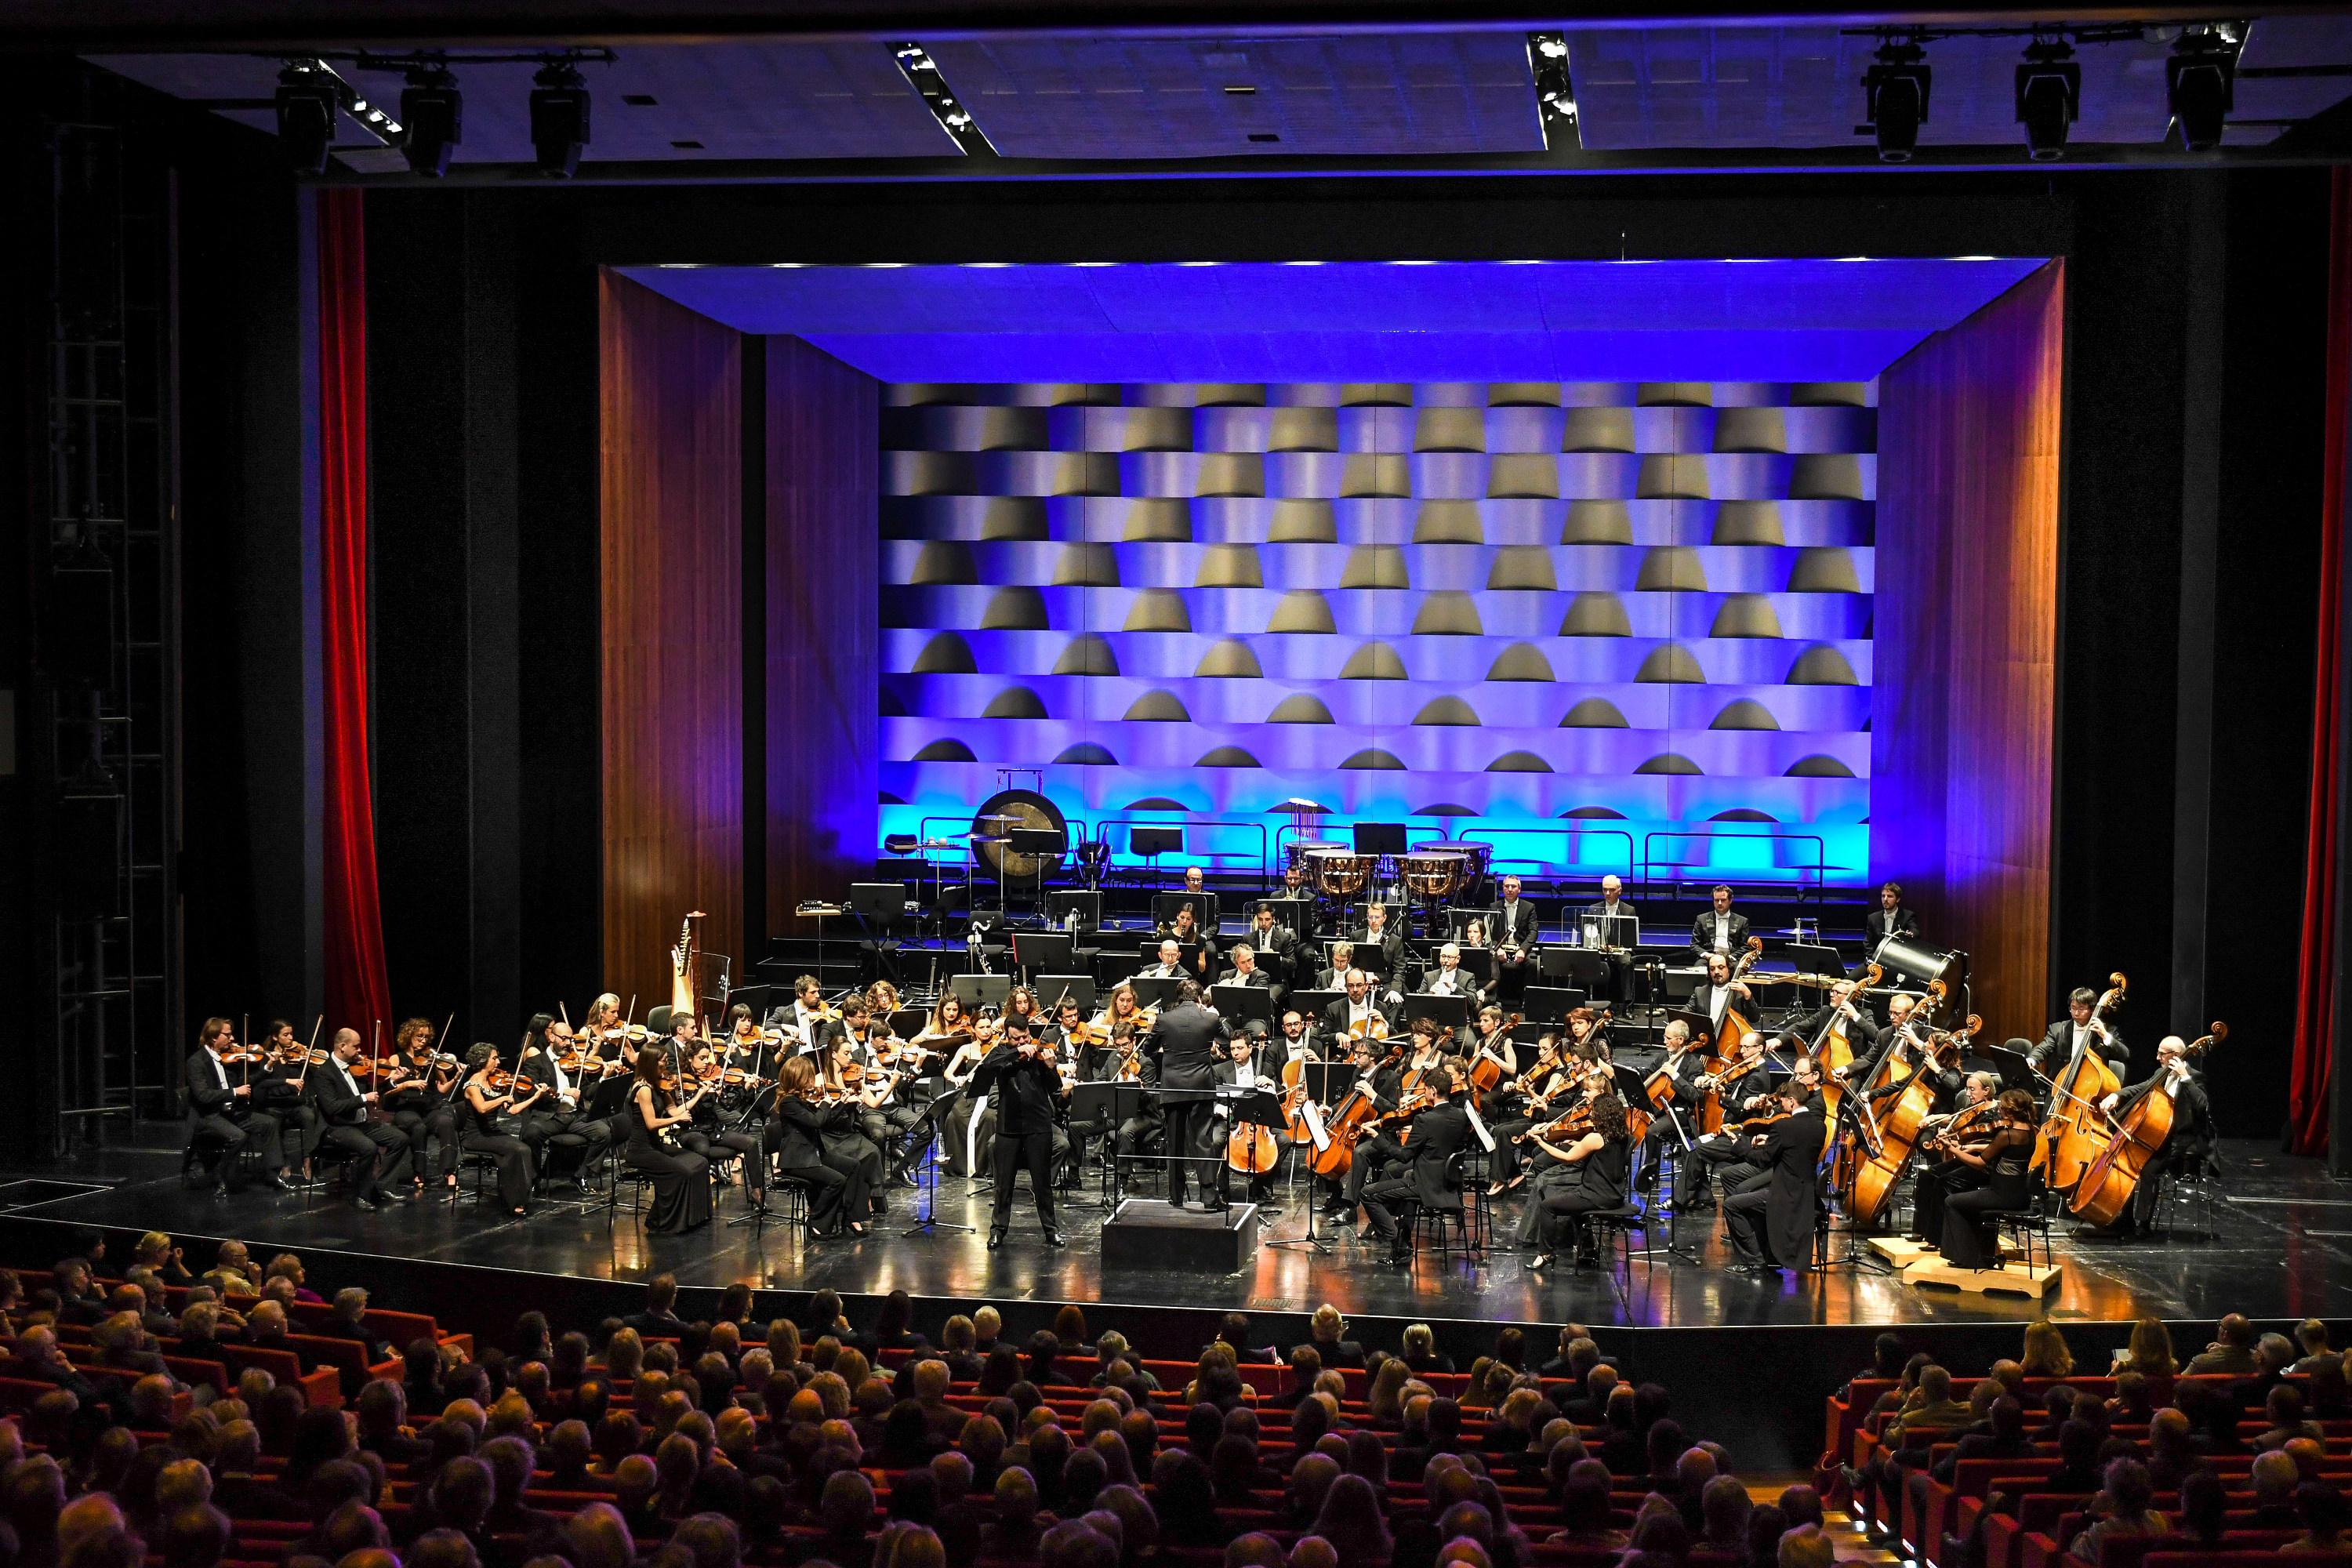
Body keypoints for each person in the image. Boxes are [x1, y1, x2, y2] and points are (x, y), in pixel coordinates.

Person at [2093, 1035, 2212, 1238]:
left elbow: (2202, 1105)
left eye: (2162, 1054)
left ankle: (2143, 1223)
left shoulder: (2195, 1077)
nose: (2158, 1058)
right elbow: (2141, 1088)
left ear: (2176, 1055)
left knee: (2149, 1170)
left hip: (2182, 1140)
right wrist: (2116, 1095)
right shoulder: (2161, 1073)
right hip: (2158, 1134)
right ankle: (2125, 1218)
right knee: (2128, 1161)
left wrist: (2185, 1077)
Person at [969, 1017, 1067, 1249]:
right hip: (1008, 1125)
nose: (1023, 1042)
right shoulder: (1001, 1053)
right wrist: (1016, 1052)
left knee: (1042, 1182)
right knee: (1003, 1183)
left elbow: (1054, 1087)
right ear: (1007, 1037)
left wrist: (1051, 1068)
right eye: (1017, 1039)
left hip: (1038, 1125)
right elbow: (988, 1067)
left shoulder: (1041, 1054)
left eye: (1025, 1037)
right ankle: (998, 1230)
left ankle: (1051, 1230)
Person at [1359, 1062, 1469, 1265]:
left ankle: (1398, 1243)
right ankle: (1403, 1239)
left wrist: (1377, 1138)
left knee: (1367, 1194)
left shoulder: (1424, 1120)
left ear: (1433, 1090)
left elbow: (1403, 1156)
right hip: (1450, 1184)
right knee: (1405, 1176)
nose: (1424, 1093)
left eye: (1426, 1089)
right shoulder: (1461, 1115)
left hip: (1426, 1185)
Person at [1722, 1076, 1827, 1274]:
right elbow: (1795, 1149)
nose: (1780, 1105)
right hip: (1806, 1196)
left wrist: (1739, 1146)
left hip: (1784, 1195)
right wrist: (1771, 1141)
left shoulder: (1784, 1126)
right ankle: (1769, 1256)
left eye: (1783, 1101)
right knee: (1750, 1201)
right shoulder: (1820, 1127)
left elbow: (1762, 1161)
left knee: (1732, 1205)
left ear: (1792, 1101)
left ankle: (1754, 1261)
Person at [306, 1028, 416, 1209]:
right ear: (342, 1046)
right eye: (356, 1047)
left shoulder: (353, 1068)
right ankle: (360, 1196)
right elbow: (332, 1108)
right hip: (336, 1128)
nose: (360, 1051)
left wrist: (393, 1081)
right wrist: (363, 1098)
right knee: (368, 1148)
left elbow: (371, 1093)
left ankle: (383, 1187)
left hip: (360, 1124)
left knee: (400, 1139)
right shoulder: (324, 1073)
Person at [184, 1018, 293, 1195]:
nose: (232, 1039)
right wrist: (235, 1092)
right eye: (227, 1035)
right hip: (209, 1116)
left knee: (269, 1123)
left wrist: (267, 1067)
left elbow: (244, 1083)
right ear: (214, 1037)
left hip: (230, 1113)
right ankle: (221, 1177)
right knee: (238, 1136)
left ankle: (272, 1174)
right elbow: (203, 1096)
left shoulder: (226, 1059)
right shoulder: (196, 1062)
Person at [1525, 1094, 1632, 1272]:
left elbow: (1568, 1159)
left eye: (1594, 1110)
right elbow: (1598, 1152)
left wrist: (1541, 1143)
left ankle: (1545, 1253)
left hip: (1595, 1196)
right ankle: (1588, 1248)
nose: (1591, 1113)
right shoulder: (1621, 1135)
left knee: (1547, 1206)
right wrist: (1576, 1143)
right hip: (1614, 1194)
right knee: (1574, 1203)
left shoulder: (1595, 1138)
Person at [1939, 1090, 2038, 1269]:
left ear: (2010, 1111)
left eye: (2002, 1107)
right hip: (2021, 1196)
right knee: (1970, 1204)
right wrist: (1966, 1146)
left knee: (1952, 1202)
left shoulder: (2007, 1135)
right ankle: (1984, 1256)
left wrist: (1952, 1149)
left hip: (2003, 1195)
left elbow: (1979, 1163)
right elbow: (1999, 1150)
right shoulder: (2030, 1131)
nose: (1999, 1110)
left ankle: (1967, 1258)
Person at [763, 1055, 860, 1237]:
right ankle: (816, 1223)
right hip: (797, 1160)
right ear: (797, 1078)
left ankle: (851, 1217)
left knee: (853, 1166)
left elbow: (824, 1121)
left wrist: (842, 1103)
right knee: (837, 1181)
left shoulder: (802, 1100)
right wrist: (825, 1104)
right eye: (809, 1077)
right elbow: (816, 1122)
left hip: (811, 1154)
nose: (813, 1081)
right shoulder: (789, 1102)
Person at [621, 1049, 711, 1233]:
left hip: (655, 1146)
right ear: (651, 1063)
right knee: (683, 1173)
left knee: (700, 1162)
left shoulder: (659, 1085)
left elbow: (675, 1111)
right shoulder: (643, 1089)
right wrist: (677, 1120)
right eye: (663, 1061)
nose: (667, 1064)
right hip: (641, 1150)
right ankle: (662, 1222)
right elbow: (651, 1123)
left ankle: (694, 1218)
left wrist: (699, 1095)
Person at [1908, 1071, 1998, 1247]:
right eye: (1967, 1089)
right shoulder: (1974, 1108)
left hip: (1983, 1164)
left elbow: (1996, 1146)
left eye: (1972, 1089)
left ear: (1986, 1091)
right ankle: (1921, 1229)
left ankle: (1936, 1239)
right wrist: (1942, 1129)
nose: (1968, 1093)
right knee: (1927, 1175)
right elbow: (1956, 1119)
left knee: (1942, 1182)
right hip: (1966, 1157)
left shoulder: (1997, 1114)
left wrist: (1967, 1146)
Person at [460, 1044, 548, 1218]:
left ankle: (517, 1198)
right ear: (483, 1060)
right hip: (475, 1136)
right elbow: (482, 1108)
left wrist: (535, 1097)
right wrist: (501, 1099)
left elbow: (513, 1110)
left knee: (522, 1149)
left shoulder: (496, 1082)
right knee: (519, 1149)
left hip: (492, 1133)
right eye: (494, 1058)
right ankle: (515, 1202)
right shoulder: (472, 1086)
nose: (498, 1062)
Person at [2027, 988, 2130, 1074]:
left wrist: (2105, 1036)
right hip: (2061, 1084)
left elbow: (2125, 1055)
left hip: (2091, 1085)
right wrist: (2032, 1060)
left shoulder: (2106, 1030)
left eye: (2081, 1009)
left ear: (2092, 1010)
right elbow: (2043, 1049)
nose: (2076, 1013)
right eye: (2073, 1008)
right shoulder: (2058, 1029)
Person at [1318, 969, 1390, 1053]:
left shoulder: (1381, 1007)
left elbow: (1396, 1036)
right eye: (1351, 986)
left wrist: (1385, 1023)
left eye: (1359, 985)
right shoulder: (1333, 1008)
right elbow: (1322, 1037)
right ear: (1346, 986)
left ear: (1366, 986)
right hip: (1345, 1057)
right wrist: (1337, 1036)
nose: (1355, 990)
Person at [1690, 884, 1749, 960]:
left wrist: (1730, 957)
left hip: (1731, 958)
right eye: (1717, 900)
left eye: (1723, 900)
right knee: (1700, 967)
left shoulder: (1742, 921)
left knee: (1739, 967)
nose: (1720, 903)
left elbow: (1745, 947)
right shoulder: (1701, 919)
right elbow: (1694, 945)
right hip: (1708, 958)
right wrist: (1707, 955)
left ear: (1730, 901)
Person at [1864, 882, 1919, 955]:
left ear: (1898, 899)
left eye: (1890, 896)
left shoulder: (1908, 916)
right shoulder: (1873, 918)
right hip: (1877, 957)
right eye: (1883, 896)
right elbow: (1868, 943)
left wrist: (1911, 934)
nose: (1885, 899)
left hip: (1898, 957)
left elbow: (1915, 931)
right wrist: (1873, 959)